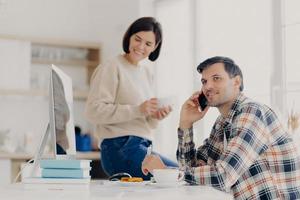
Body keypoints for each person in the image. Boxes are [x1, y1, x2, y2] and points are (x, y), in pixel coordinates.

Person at [142, 56, 300, 199]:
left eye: (216, 78)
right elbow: (191, 168)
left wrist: (168, 172)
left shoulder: (252, 112)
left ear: (236, 82)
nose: (207, 86)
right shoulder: (222, 123)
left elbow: (223, 175)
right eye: (204, 81)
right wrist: (186, 124)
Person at [85, 17, 178, 180]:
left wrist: (155, 117)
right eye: (137, 39)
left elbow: (143, 122)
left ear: (155, 47)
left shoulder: (146, 73)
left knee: (181, 177)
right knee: (175, 178)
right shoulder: (111, 66)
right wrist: (138, 109)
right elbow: (93, 111)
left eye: (148, 44)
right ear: (129, 37)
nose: (141, 47)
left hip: (143, 146)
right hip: (120, 147)